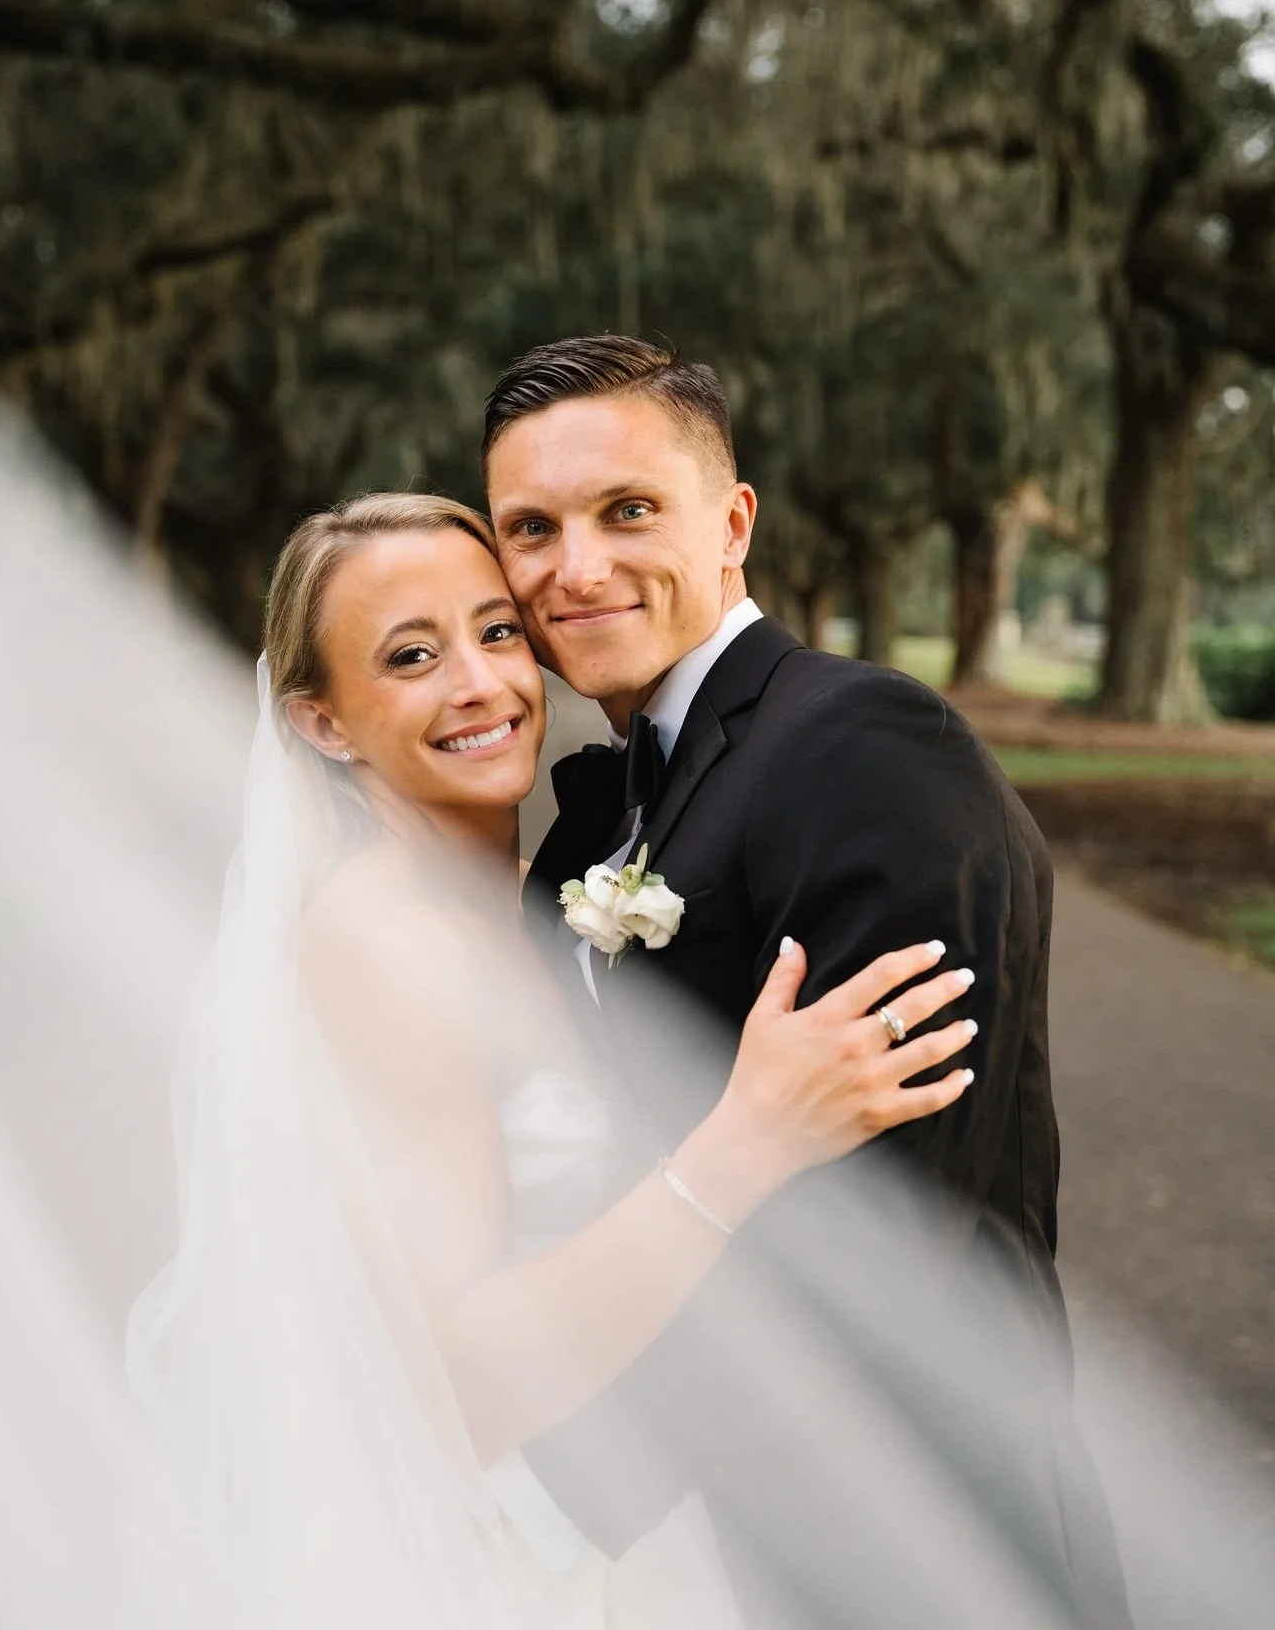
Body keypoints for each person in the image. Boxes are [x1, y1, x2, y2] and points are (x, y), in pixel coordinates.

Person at [129, 489, 978, 1630]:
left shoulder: (517, 899)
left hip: (621, 1485)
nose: (480, 683)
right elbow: (460, 1385)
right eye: (411, 655)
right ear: (323, 722)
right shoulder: (391, 939)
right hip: (510, 1552)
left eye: (496, 631)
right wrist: (746, 1139)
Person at [484, 335, 1132, 1630]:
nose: (578, 564)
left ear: (731, 524)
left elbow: (888, 1216)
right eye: (531, 527)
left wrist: (562, 1481)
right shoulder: (597, 812)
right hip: (721, 1533)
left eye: (626, 510)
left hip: (920, 1529)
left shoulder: (861, 744)